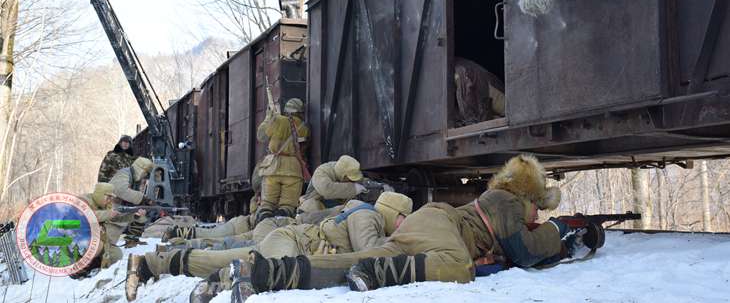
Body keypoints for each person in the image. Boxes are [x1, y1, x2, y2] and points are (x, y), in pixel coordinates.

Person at [228, 154, 583, 298]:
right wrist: (563, 232)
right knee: (458, 268)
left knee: (356, 261)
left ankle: (263, 274)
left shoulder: (504, 203)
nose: (537, 215)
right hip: (441, 224)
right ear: (527, 196)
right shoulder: (507, 200)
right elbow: (525, 251)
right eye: (538, 207)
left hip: (428, 227)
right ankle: (379, 271)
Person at [124, 192, 414, 302]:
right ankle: (223, 281)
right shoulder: (369, 216)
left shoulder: (362, 211)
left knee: (219, 257)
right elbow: (372, 252)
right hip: (291, 242)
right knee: (259, 271)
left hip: (287, 239)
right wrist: (403, 246)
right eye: (403, 219)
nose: (402, 226)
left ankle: (150, 264)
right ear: (392, 211)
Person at [73, 183, 146, 278]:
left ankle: (93, 268)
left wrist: (134, 216)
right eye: (108, 197)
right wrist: (108, 214)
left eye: (111, 197)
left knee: (116, 255)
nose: (110, 200)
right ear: (100, 194)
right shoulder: (83, 201)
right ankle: (77, 270)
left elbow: (116, 218)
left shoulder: (106, 205)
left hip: (97, 238)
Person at [256, 98, 310, 222]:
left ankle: (264, 230)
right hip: (293, 171)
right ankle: (282, 230)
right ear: (300, 112)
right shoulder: (304, 127)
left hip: (272, 169)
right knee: (287, 207)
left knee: (267, 205)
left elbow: (261, 136)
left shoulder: (277, 120)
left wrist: (269, 117)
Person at [298, 154, 366, 215]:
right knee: (310, 205)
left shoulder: (351, 174)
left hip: (338, 210)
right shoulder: (322, 171)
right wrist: (354, 189)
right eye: (350, 179)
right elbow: (327, 190)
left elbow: (362, 182)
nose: (351, 182)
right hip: (317, 208)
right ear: (342, 174)